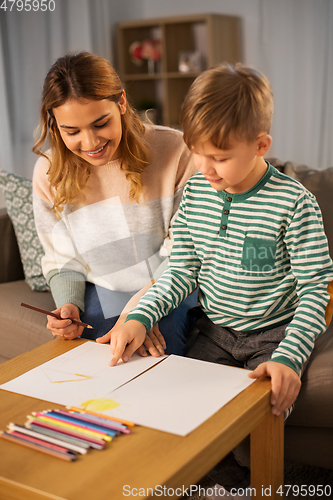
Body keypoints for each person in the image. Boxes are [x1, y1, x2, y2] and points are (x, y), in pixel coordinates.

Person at [105, 63, 333, 497]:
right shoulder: (196, 194)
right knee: (183, 416)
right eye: (198, 153)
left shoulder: (293, 203)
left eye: (221, 157)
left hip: (274, 334)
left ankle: (276, 483)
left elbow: (314, 291)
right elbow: (181, 270)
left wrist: (288, 358)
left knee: (255, 429)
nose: (206, 169)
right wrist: (139, 314)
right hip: (213, 331)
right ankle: (233, 485)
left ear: (261, 144)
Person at [32, 51, 198, 357]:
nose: (90, 142)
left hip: (172, 281)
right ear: (55, 124)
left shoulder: (176, 152)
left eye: (100, 124)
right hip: (104, 286)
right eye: (72, 131)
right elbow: (61, 258)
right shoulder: (48, 172)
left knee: (157, 351)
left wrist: (140, 313)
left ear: (121, 102)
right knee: (93, 355)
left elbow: (186, 254)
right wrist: (68, 306)